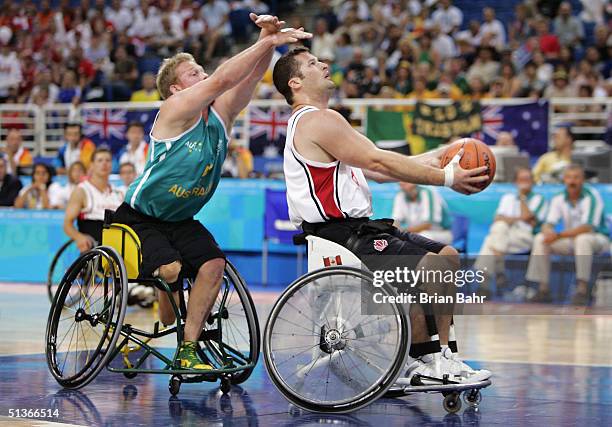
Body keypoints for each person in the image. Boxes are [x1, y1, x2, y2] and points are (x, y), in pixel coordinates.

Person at [272, 47, 491, 384]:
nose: (325, 64)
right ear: (296, 82)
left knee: (446, 256)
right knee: (432, 267)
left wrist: (440, 156)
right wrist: (447, 178)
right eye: (313, 63)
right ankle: (437, 360)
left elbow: (381, 169)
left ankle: (431, 359)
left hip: (357, 230)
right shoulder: (317, 120)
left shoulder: (321, 121)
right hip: (339, 234)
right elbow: (378, 161)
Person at [111, 15, 311, 371]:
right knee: (171, 269)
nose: (203, 76)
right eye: (194, 73)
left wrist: (267, 37)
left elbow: (247, 79)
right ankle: (165, 304)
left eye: (202, 71)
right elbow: (224, 78)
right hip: (140, 217)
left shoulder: (219, 116)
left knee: (214, 263)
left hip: (181, 219)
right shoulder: (174, 110)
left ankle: (187, 349)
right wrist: (266, 43)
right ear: (175, 89)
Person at [526, 164, 609, 305]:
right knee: (541, 239)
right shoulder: (558, 198)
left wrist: (557, 235)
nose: (572, 181)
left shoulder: (591, 195)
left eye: (576, 178)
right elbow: (548, 223)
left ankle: (582, 290)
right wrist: (547, 231)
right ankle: (543, 289)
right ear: (564, 179)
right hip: (571, 240)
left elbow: (587, 227)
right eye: (569, 177)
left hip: (598, 239)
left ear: (582, 180)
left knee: (582, 239)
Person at [473, 168, 547, 296]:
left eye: (527, 179)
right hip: (506, 236)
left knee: (490, 242)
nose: (524, 182)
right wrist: (519, 219)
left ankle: (486, 284)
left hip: (525, 237)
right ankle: (498, 271)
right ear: (515, 182)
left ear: (533, 182)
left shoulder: (539, 199)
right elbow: (497, 218)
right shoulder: (507, 198)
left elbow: (531, 220)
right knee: (499, 227)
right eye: (521, 180)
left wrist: (523, 198)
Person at [64, 148, 124, 250]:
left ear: (111, 165)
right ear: (92, 165)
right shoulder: (82, 190)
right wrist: (79, 237)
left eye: (107, 160)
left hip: (117, 246)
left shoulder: (119, 193)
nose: (104, 163)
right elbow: (67, 224)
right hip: (94, 248)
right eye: (100, 160)